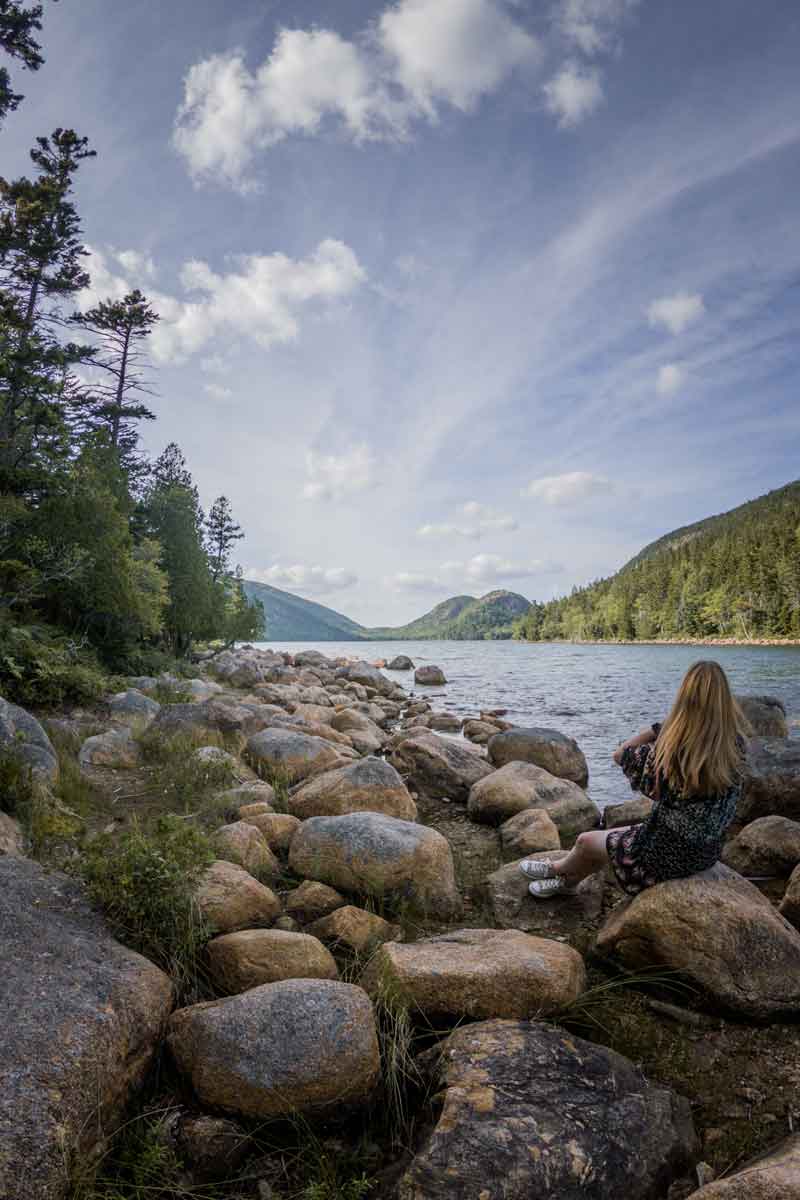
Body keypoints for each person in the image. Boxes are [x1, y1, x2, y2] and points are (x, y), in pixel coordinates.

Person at [519, 660, 748, 899]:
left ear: (685, 700)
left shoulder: (671, 754)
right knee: (607, 840)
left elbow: (620, 754)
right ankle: (567, 883)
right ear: (724, 702)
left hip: (663, 856)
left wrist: (658, 729)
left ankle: (556, 869)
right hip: (705, 852)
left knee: (586, 841)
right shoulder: (735, 747)